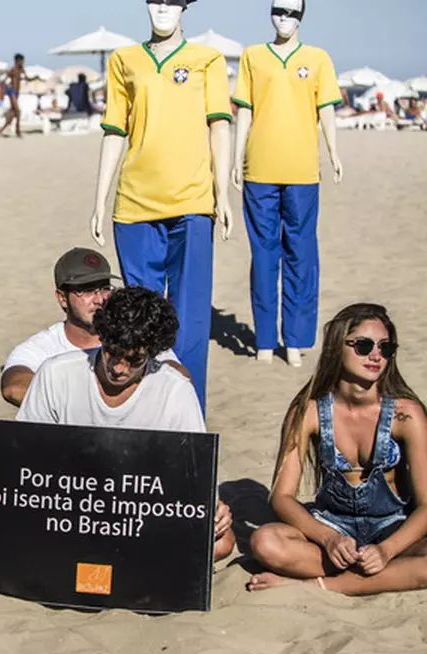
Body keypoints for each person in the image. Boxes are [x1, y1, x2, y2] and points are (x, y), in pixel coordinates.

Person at [89, 0, 234, 413]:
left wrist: (222, 194)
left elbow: (219, 125)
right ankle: (143, 409)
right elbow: (114, 131)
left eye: (172, 1)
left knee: (190, 315)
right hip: (134, 203)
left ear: (185, 7)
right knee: (137, 319)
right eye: (155, 0)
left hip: (192, 200)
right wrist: (99, 199)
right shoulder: (124, 60)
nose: (163, 7)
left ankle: (188, 412)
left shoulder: (208, 59)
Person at [18, 286, 235, 562]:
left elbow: (195, 474)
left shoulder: (175, 390)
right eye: (113, 352)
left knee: (221, 542)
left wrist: (213, 508)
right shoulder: (56, 373)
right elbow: (25, 456)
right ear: (102, 337)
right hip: (70, 504)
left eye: (134, 360)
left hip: (142, 510)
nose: (119, 368)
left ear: (153, 353)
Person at [248, 304, 427, 595]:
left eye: (385, 347)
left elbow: (426, 505)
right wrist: (328, 538)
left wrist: (386, 550)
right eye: (364, 345)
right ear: (336, 346)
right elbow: (281, 496)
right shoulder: (308, 411)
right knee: (265, 542)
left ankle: (319, 585)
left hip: (393, 527)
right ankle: (374, 578)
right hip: (332, 525)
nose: (376, 355)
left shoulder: (406, 414)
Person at [232, 0, 343, 369]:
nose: (284, 18)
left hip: (302, 172)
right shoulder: (253, 56)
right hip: (259, 170)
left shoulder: (318, 58)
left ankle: (295, 339)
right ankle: (265, 339)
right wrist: (236, 157)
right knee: (264, 255)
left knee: (301, 254)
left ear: (302, 18)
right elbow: (244, 109)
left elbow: (326, 109)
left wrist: (334, 152)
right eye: (279, 10)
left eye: (293, 12)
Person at [0, 248, 186, 407]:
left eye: (104, 288)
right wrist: (88, 409)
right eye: (86, 290)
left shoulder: (133, 333)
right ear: (62, 298)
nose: (99, 299)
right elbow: (14, 387)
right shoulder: (42, 346)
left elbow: (180, 378)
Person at [0, 54, 25, 137]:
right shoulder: (13, 70)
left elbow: (27, 78)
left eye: (23, 61)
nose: (23, 63)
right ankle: (18, 130)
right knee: (18, 111)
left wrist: (35, 78)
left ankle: (3, 129)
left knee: (13, 113)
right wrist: (3, 91)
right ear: (17, 61)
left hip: (17, 93)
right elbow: (3, 81)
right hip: (12, 92)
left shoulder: (21, 70)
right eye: (21, 61)